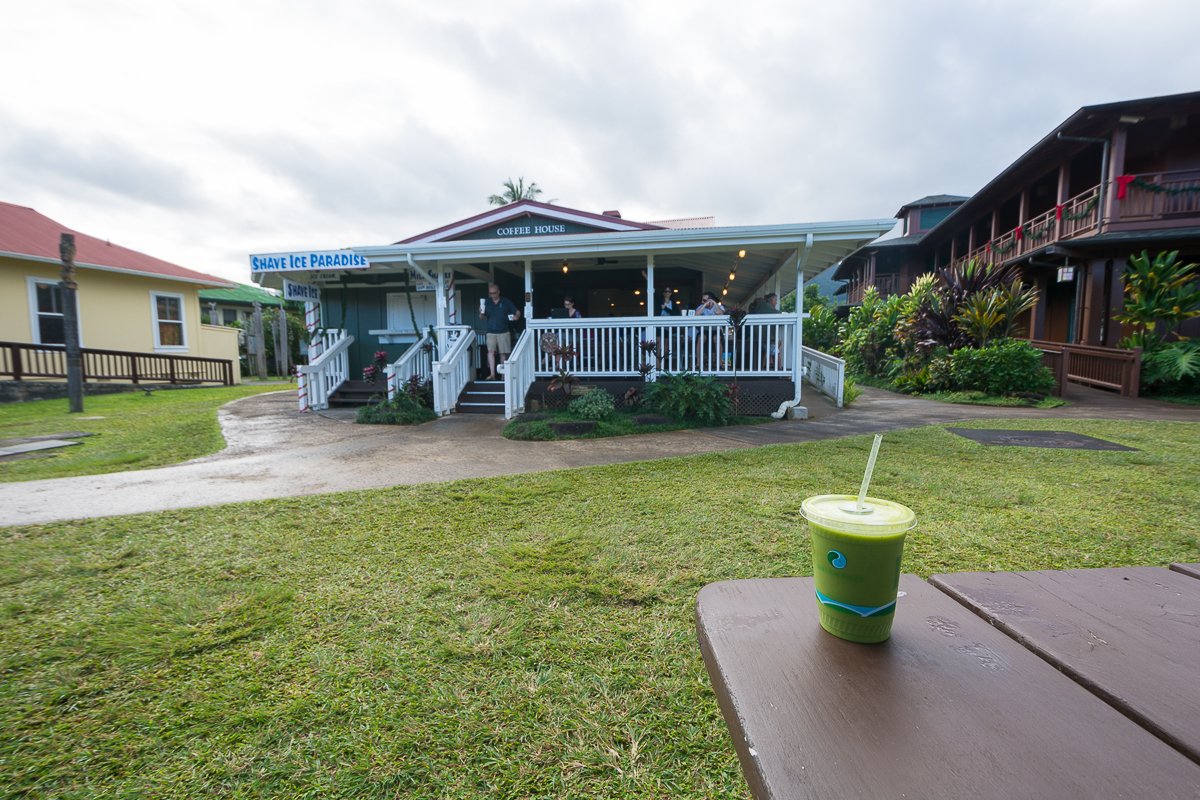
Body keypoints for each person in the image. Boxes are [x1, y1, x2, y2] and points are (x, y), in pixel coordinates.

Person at [480, 283, 520, 380]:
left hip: (503, 331)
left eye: (494, 293)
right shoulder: (486, 302)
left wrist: (516, 317)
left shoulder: (505, 301)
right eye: (490, 293)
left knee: (503, 353)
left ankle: (503, 375)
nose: (492, 295)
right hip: (491, 331)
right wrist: (481, 313)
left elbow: (517, 311)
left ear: (498, 292)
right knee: (490, 352)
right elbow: (482, 317)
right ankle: (492, 374)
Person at [694, 291, 725, 370]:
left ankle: (720, 363)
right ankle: (698, 364)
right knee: (701, 338)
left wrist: (715, 303)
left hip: (716, 330)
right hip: (705, 330)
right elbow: (696, 315)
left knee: (717, 338)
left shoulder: (719, 307)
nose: (702, 301)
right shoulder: (702, 307)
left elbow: (721, 314)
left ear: (710, 301)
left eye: (704, 300)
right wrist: (704, 304)